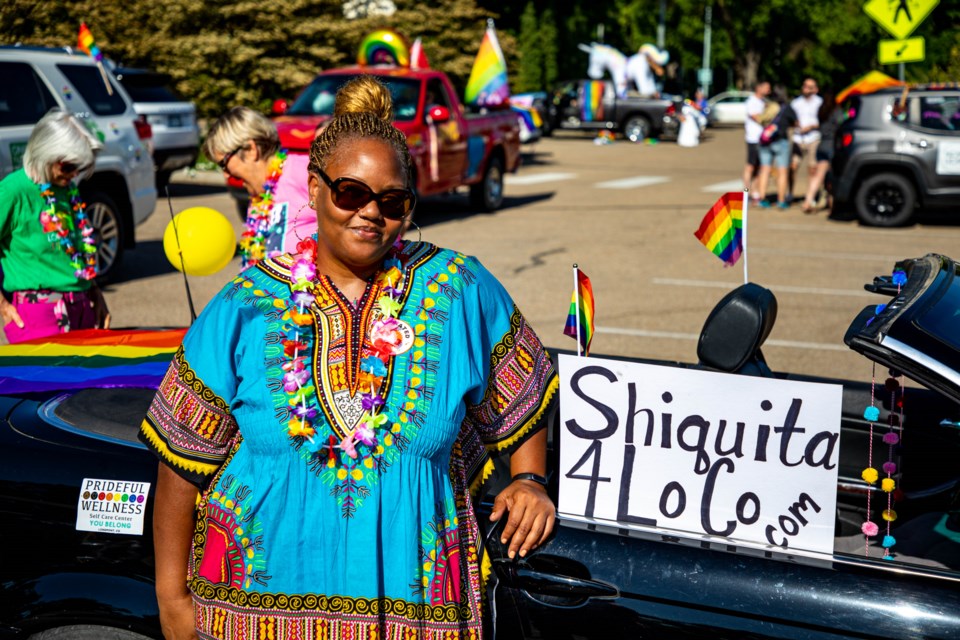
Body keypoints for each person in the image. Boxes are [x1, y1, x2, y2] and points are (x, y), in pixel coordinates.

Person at [142, 75, 558, 640]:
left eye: (393, 201)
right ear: (314, 187)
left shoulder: (460, 289)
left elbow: (522, 393)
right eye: (351, 193)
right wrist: (172, 599)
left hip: (412, 620)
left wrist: (530, 478)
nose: (371, 214)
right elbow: (181, 459)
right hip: (251, 616)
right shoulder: (246, 303)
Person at [0, 109, 110, 343]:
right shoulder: (13, 190)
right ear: (45, 152)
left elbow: (75, 252)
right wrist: (2, 305)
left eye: (78, 167)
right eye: (68, 166)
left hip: (81, 305)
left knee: (86, 380)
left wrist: (94, 291)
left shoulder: (67, 188)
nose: (74, 173)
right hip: (37, 312)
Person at [204, 107, 314, 269]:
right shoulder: (259, 198)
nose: (226, 175)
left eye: (224, 164)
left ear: (250, 150)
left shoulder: (302, 169)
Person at [756, 86, 798, 210]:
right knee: (782, 172)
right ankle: (781, 200)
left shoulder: (767, 106)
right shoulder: (787, 108)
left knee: (764, 170)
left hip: (765, 141)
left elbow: (760, 119)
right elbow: (795, 123)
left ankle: (762, 198)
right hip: (781, 140)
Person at [802, 92, 838, 213]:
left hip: (821, 144)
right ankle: (832, 204)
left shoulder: (822, 111)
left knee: (818, 176)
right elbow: (841, 125)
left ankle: (807, 202)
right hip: (832, 145)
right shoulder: (836, 111)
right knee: (833, 176)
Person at [789, 78, 823, 204]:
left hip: (813, 137)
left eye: (810, 87)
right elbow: (789, 118)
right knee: (792, 167)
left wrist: (812, 127)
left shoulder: (820, 102)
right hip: (798, 138)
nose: (806, 88)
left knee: (812, 168)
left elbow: (823, 121)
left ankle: (811, 196)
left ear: (815, 89)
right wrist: (795, 124)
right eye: (805, 86)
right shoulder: (796, 103)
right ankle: (789, 193)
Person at [743, 80, 771, 202]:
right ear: (759, 88)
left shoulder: (763, 102)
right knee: (750, 167)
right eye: (766, 87)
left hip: (763, 138)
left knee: (759, 168)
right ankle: (746, 192)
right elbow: (757, 118)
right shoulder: (752, 101)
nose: (768, 90)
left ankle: (755, 192)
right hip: (753, 138)